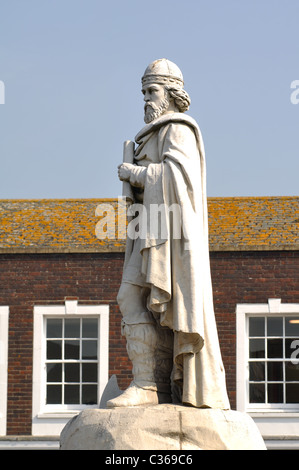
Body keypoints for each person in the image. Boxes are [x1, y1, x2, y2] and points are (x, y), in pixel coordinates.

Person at [107, 59, 230, 409]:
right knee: (131, 299)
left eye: (152, 91)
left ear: (171, 93)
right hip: (148, 230)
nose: (146, 98)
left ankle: (151, 386)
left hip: (170, 235)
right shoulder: (152, 133)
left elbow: (179, 179)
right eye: (143, 92)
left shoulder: (179, 129)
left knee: (140, 299)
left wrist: (135, 174)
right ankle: (150, 384)